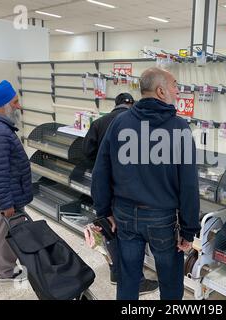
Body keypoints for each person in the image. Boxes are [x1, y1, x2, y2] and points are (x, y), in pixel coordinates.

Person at [91, 67, 201, 300]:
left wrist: (103, 211)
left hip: (124, 216)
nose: (178, 91)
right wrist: (189, 230)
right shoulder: (179, 128)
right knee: (170, 281)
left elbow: (101, 170)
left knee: (128, 277)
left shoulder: (120, 122)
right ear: (161, 91)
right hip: (162, 218)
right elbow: (189, 185)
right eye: (174, 85)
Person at [82, 93, 159, 296]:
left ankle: (116, 271)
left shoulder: (99, 123)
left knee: (109, 229)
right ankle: (135, 280)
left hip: (104, 186)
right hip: (128, 190)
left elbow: (87, 151)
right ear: (132, 105)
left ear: (115, 105)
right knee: (128, 236)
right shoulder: (139, 124)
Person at [0, 80, 33, 283]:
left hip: (11, 194)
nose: (19, 106)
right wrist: (6, 204)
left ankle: (7, 267)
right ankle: (4, 272)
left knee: (7, 231)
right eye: (16, 102)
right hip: (9, 196)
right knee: (5, 233)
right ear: (5, 105)